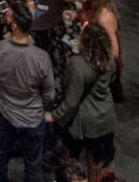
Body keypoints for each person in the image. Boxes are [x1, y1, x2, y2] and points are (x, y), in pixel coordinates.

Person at [0, 4, 52, 182]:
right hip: (33, 118)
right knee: (33, 164)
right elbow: (49, 93)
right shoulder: (41, 57)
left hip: (6, 114)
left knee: (1, 156)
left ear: (15, 26)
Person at [57, 22, 117, 182]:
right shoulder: (109, 60)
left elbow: (71, 100)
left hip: (83, 120)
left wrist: (56, 117)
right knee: (96, 159)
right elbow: (112, 80)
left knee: (71, 159)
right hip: (104, 116)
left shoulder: (77, 64)